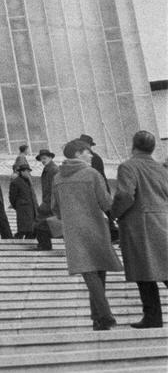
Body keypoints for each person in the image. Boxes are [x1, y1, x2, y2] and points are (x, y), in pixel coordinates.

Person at [52, 137, 121, 330]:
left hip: (73, 230)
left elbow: (55, 208)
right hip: (95, 225)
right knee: (99, 269)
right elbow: (106, 203)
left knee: (89, 271)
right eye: (87, 151)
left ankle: (98, 318)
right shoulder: (92, 174)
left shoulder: (57, 177)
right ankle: (106, 316)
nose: (90, 154)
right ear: (77, 154)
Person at [110, 130, 168, 329]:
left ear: (133, 145)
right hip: (163, 223)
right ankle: (152, 318)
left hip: (139, 225)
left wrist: (114, 213)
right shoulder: (161, 169)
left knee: (144, 273)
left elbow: (125, 194)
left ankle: (152, 317)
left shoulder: (128, 166)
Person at [33, 148, 59, 250]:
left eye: (44, 158)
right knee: (43, 223)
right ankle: (44, 244)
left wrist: (48, 202)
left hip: (50, 202)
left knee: (40, 223)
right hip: (48, 201)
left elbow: (54, 188)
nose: (43, 160)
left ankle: (44, 245)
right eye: (41, 159)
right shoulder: (49, 169)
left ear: (50, 157)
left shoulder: (53, 170)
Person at [9, 163, 37, 239]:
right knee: (24, 229)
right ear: (22, 172)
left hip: (31, 209)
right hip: (23, 209)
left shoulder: (28, 181)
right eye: (27, 171)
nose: (28, 173)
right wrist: (18, 205)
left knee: (30, 230)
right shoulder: (16, 182)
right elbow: (12, 197)